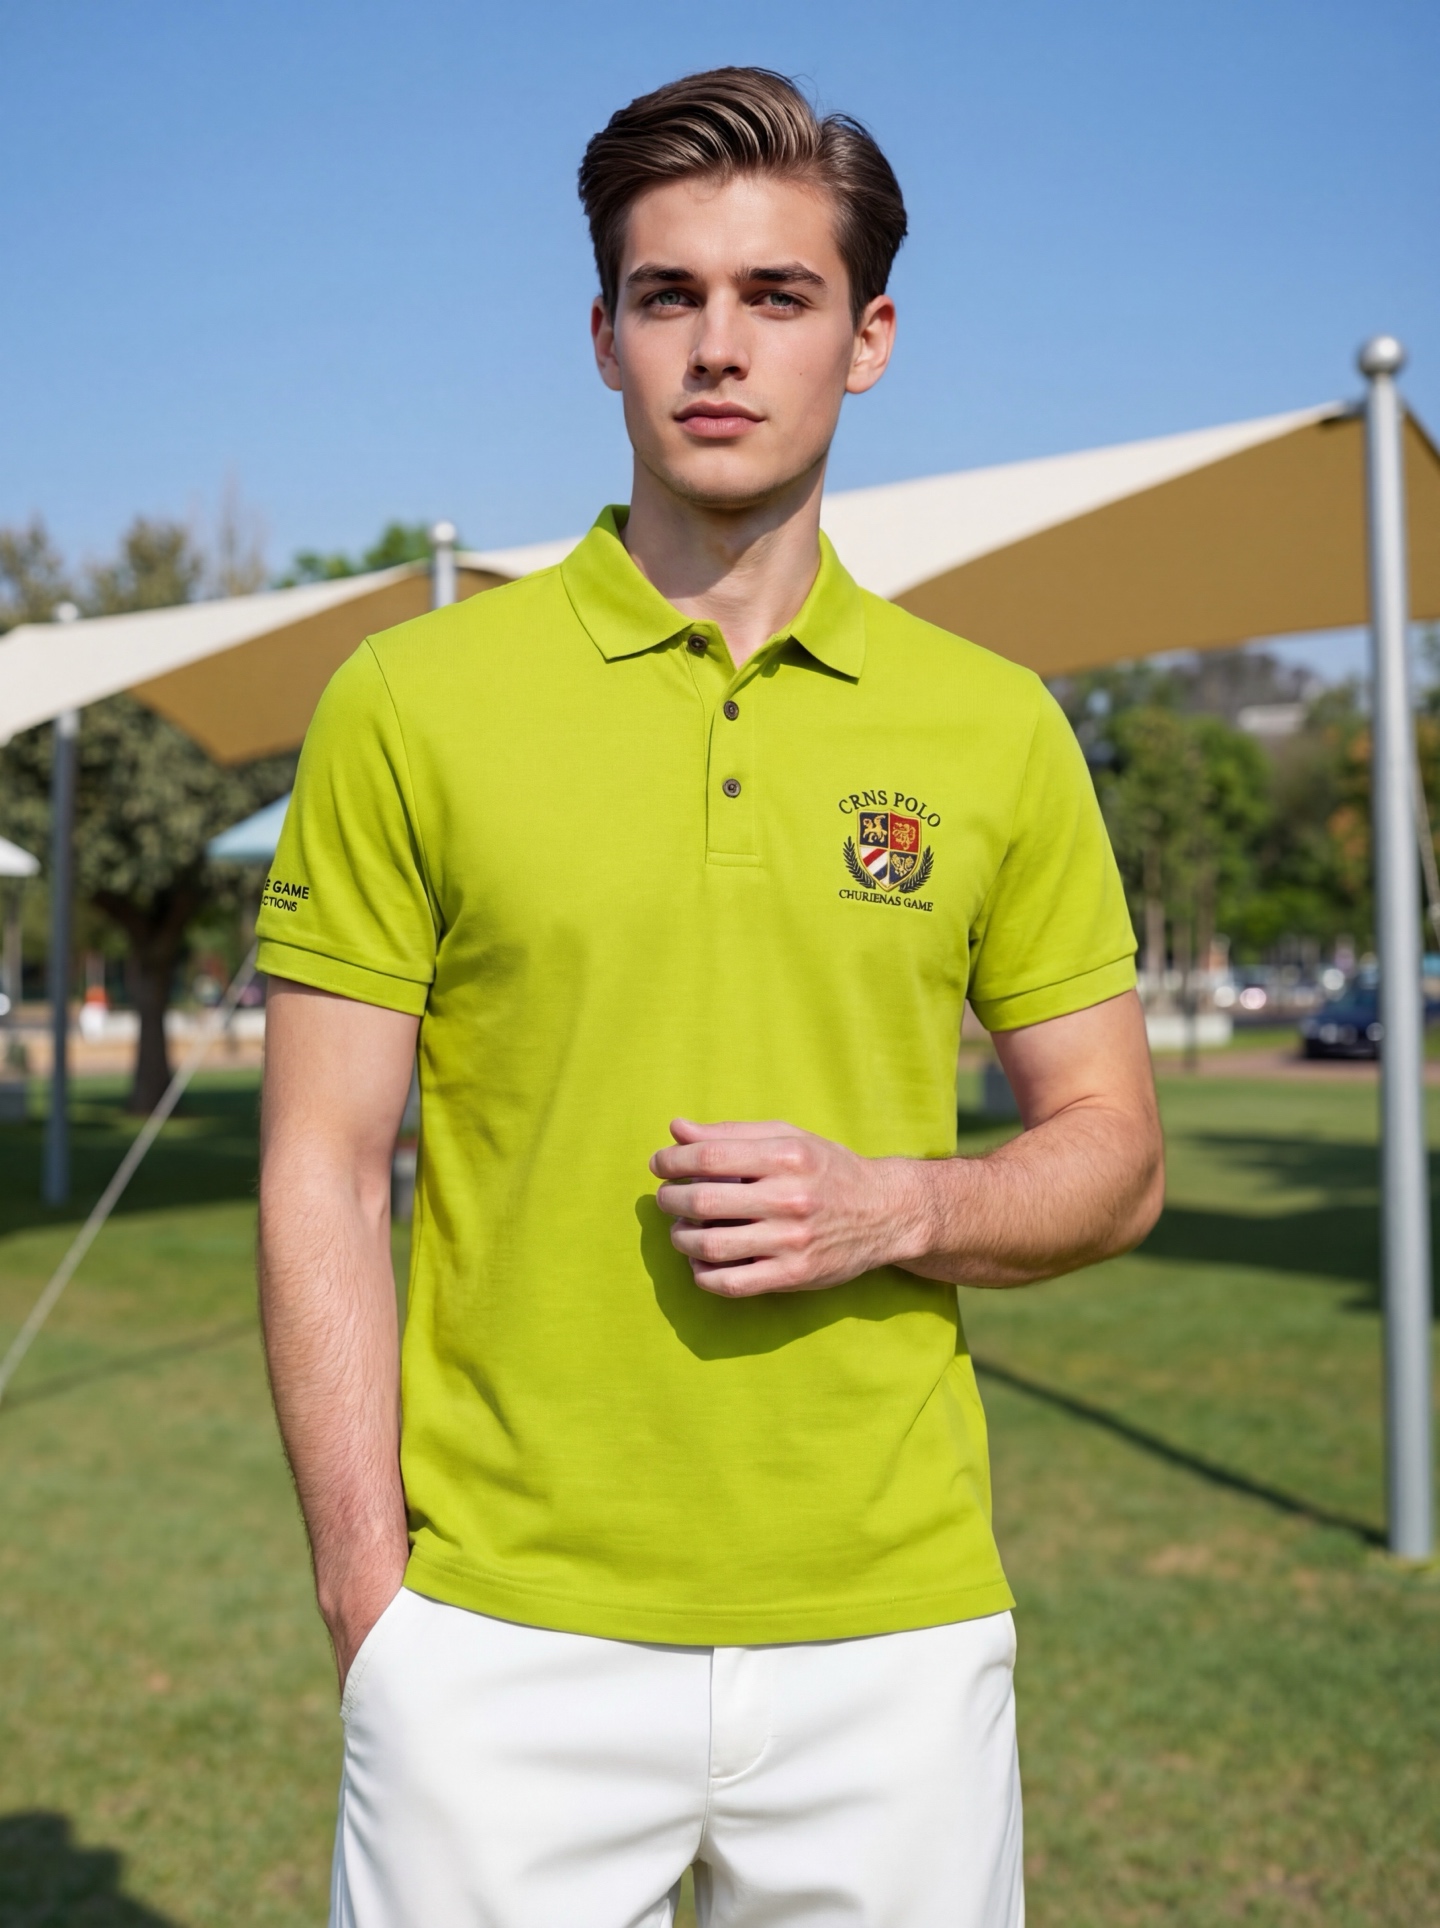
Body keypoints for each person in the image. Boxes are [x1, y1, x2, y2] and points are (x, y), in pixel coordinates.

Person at [256, 66, 1163, 1928]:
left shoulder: (994, 728)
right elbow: (323, 1164)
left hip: (891, 1641)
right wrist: (373, 1596)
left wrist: (896, 1205)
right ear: (604, 337)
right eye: (668, 295)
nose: (719, 347)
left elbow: (1119, 1155)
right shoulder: (412, 701)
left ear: (869, 338)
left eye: (779, 295)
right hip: (496, 1632)